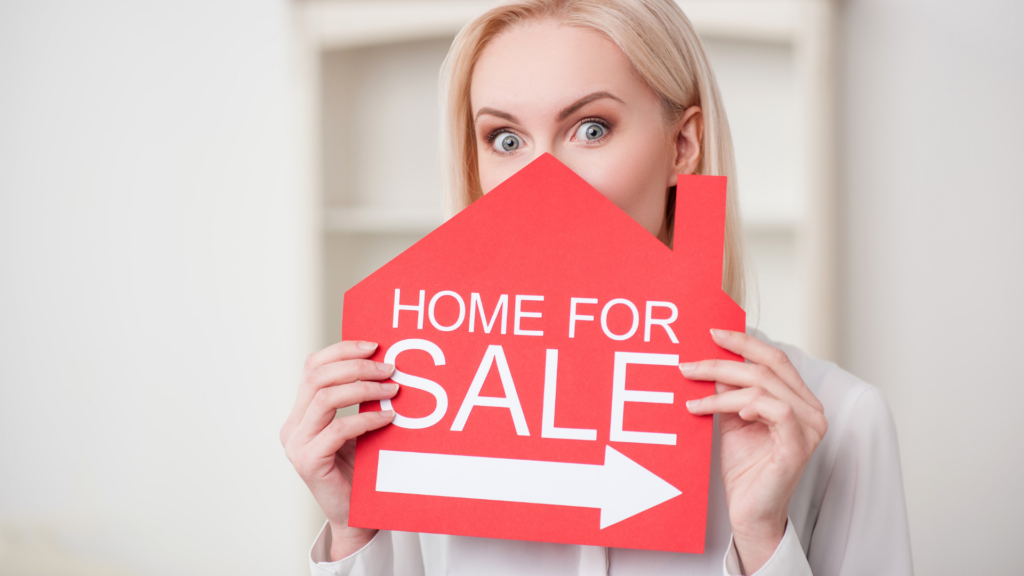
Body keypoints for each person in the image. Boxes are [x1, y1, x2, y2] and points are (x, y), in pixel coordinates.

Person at [280, 1, 913, 574]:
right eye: (505, 139)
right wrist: (354, 533)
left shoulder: (844, 424)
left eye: (590, 128)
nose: (540, 182)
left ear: (682, 144)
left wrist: (762, 540)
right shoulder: (415, 409)